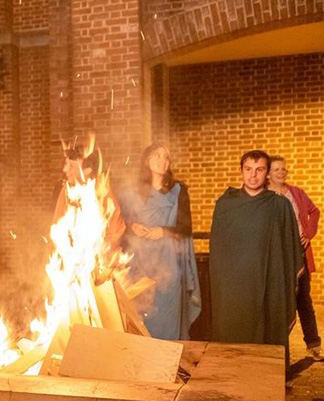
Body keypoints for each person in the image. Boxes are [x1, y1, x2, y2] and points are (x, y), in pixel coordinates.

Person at [209, 150, 303, 366]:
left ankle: (268, 373)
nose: (253, 175)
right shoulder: (226, 205)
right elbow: (219, 249)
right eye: (248, 169)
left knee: (267, 330)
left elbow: (289, 249)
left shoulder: (279, 206)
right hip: (234, 285)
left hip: (268, 282)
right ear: (241, 171)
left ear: (267, 173)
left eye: (259, 170)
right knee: (233, 331)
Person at [118, 144, 201, 340]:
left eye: (166, 157)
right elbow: (119, 223)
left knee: (167, 310)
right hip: (139, 260)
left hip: (168, 259)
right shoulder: (132, 192)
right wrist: (132, 227)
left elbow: (185, 227)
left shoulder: (179, 190)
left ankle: (170, 358)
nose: (163, 161)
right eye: (157, 156)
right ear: (147, 160)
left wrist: (164, 231)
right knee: (141, 312)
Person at [268, 155, 321, 360]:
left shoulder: (296, 193)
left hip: (299, 252)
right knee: (281, 303)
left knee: (304, 299)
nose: (281, 172)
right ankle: (280, 349)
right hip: (278, 255)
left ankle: (313, 344)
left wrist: (308, 233)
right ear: (269, 174)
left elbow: (314, 211)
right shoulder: (265, 196)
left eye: (284, 169)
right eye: (277, 169)